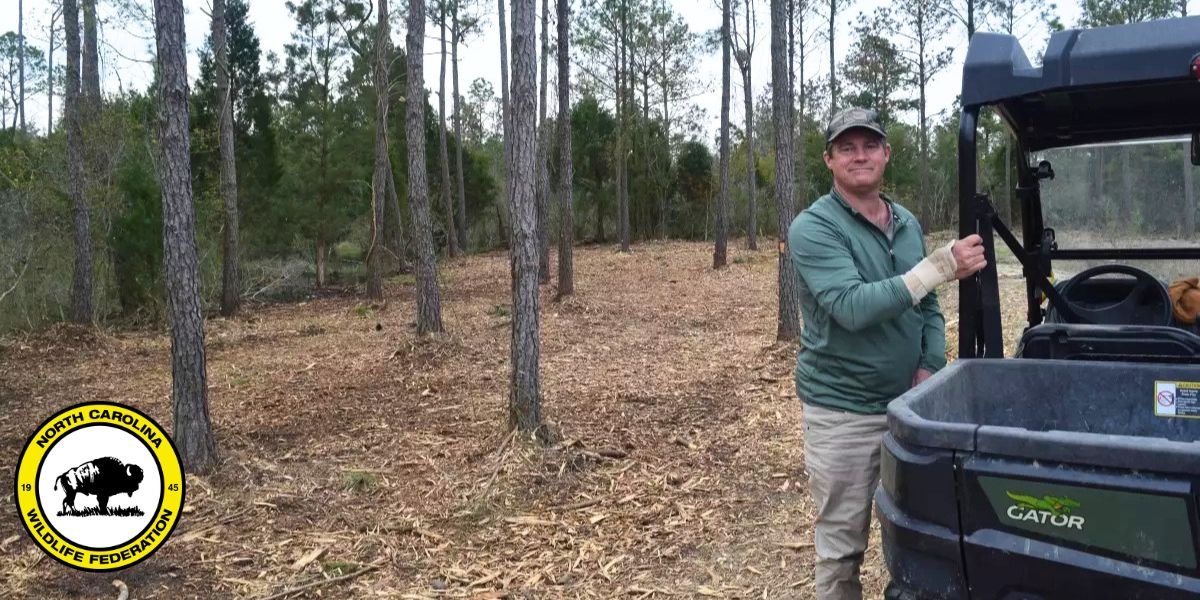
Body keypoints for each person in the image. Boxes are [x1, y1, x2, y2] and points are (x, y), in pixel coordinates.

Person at [787, 107, 987, 600]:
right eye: (847, 148)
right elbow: (851, 307)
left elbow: (930, 307)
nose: (860, 156)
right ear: (829, 160)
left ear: (886, 154)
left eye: (869, 145)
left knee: (926, 535)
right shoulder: (813, 228)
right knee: (840, 549)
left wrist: (929, 369)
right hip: (844, 414)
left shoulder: (906, 222)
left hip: (910, 410)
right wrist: (941, 263)